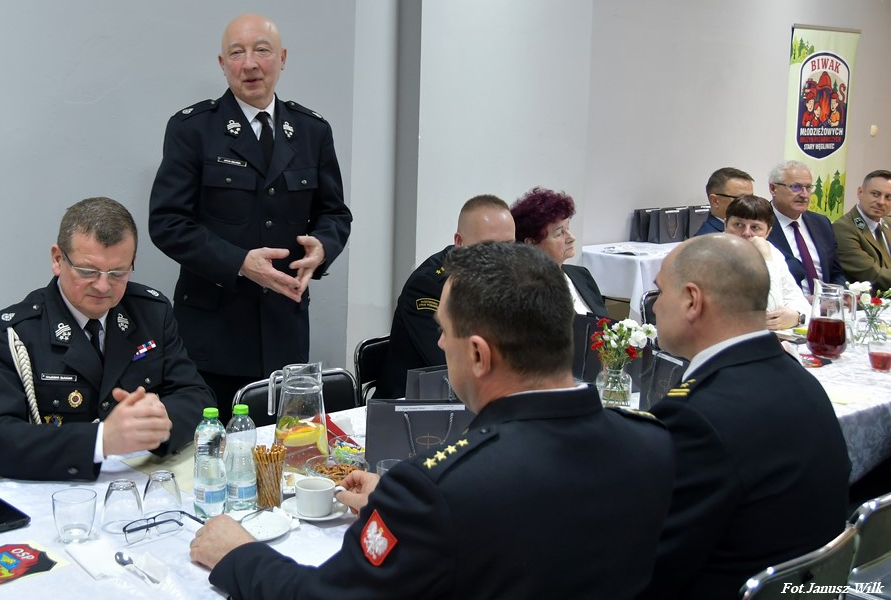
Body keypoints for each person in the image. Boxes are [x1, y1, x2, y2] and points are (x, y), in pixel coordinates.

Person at [190, 242, 675, 600]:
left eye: (444, 332)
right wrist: (406, 511)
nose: (439, 344)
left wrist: (238, 556)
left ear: (478, 354)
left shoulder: (435, 490)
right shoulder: (651, 443)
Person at [149, 14, 352, 423]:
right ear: (222, 64)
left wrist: (323, 247)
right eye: (237, 53)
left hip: (284, 331)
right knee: (211, 451)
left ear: (283, 58)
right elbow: (167, 222)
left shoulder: (311, 130)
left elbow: (334, 213)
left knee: (284, 448)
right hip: (213, 336)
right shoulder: (193, 129)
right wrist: (240, 263)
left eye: (262, 50)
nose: (250, 64)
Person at [636, 234, 850, 600]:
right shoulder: (799, 379)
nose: (655, 306)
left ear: (692, 300)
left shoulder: (699, 415)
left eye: (660, 291)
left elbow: (654, 567)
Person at [0, 197, 214, 481]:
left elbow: (197, 398)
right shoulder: (13, 333)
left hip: (137, 479)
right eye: (88, 272)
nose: (102, 286)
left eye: (118, 273)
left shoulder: (151, 313)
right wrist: (101, 440)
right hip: (54, 488)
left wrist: (154, 420)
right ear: (58, 260)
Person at [375, 195, 515, 399]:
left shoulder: (506, 280)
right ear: (460, 242)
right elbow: (452, 366)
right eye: (489, 247)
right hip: (415, 406)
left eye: (509, 246)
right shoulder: (428, 287)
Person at [510, 187, 608, 316]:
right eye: (559, 233)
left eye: (568, 229)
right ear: (532, 243)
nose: (571, 238)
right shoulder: (528, 291)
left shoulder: (581, 274)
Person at [724, 195, 810, 330]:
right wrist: (766, 260)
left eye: (755, 227)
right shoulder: (715, 256)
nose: (746, 233)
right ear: (725, 225)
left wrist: (797, 316)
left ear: (768, 232)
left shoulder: (772, 251)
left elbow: (799, 302)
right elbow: (768, 313)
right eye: (738, 225)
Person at [766, 160, 845, 294]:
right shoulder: (759, 225)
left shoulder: (822, 223)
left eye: (808, 188)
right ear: (773, 189)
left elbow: (836, 272)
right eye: (796, 187)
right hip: (786, 304)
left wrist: (837, 294)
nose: (804, 195)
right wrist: (803, 301)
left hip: (826, 303)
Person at [833, 169, 891, 291]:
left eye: (888, 197)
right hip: (868, 300)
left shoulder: (888, 223)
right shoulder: (843, 228)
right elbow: (873, 274)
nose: (881, 202)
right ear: (860, 192)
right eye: (875, 194)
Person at [693, 167, 755, 236]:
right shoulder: (707, 239)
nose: (749, 204)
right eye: (740, 199)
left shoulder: (750, 231)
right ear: (715, 201)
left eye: (751, 198)